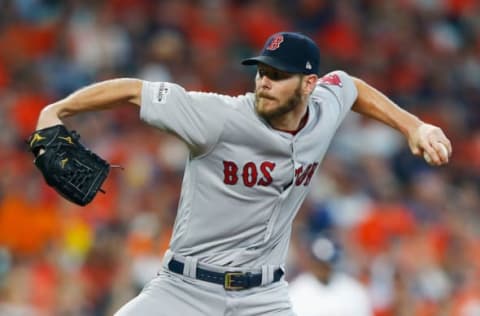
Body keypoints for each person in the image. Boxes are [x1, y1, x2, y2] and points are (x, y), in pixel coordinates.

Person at [33, 32, 451, 315]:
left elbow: (352, 87)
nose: (264, 82)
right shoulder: (217, 117)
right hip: (185, 289)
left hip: (263, 296)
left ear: (309, 85)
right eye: (262, 71)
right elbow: (132, 90)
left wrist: (414, 125)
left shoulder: (324, 108)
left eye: (277, 75)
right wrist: (57, 111)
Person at [288, 236, 373, 316]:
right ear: (311, 262)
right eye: (319, 263)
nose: (323, 268)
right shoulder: (295, 291)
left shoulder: (353, 290)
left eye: (326, 263)